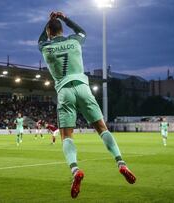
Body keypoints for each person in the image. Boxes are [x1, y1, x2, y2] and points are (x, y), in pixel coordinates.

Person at [38, 11, 136, 198]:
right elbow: (82, 31)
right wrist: (64, 18)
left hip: (64, 91)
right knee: (102, 128)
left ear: (49, 32)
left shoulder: (45, 47)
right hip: (83, 87)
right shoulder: (75, 41)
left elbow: (40, 40)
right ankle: (121, 163)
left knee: (66, 136)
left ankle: (76, 170)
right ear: (61, 29)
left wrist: (48, 22)